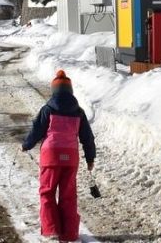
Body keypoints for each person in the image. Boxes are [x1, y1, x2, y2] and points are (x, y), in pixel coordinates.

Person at [22, 70, 96, 242]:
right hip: (70, 158)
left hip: (51, 156)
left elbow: (36, 130)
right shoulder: (79, 112)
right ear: (70, 91)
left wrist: (26, 145)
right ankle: (69, 234)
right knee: (68, 196)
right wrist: (90, 158)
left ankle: (51, 229)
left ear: (54, 91)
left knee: (47, 192)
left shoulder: (47, 109)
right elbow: (87, 137)